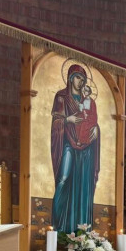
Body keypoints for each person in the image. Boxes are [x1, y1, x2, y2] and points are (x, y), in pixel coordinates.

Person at [51, 64, 100, 233]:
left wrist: (96, 130)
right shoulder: (62, 97)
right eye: (78, 77)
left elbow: (92, 120)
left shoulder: (88, 101)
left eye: (83, 79)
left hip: (86, 149)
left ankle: (81, 230)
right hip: (67, 144)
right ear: (71, 78)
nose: (80, 81)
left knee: (84, 185)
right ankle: (57, 225)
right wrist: (67, 120)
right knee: (63, 178)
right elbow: (56, 122)